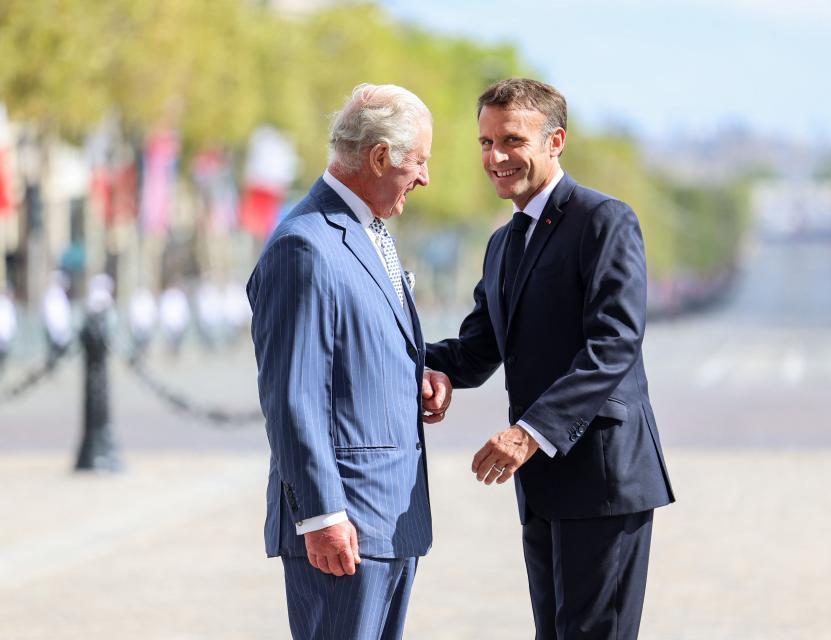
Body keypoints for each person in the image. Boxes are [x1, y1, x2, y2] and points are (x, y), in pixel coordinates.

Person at [426, 78, 675, 639]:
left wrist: (526, 433)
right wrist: (395, 356)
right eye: (486, 143)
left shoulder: (604, 220)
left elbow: (614, 342)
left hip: (602, 478)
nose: (496, 157)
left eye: (512, 140)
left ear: (555, 140)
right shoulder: (503, 244)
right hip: (541, 482)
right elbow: (475, 350)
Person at [247, 83, 451, 640]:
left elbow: (357, 349)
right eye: (420, 161)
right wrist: (320, 515)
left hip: (388, 521)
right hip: (345, 527)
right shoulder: (305, 245)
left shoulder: (367, 233)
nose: (425, 177)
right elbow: (293, 395)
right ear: (381, 156)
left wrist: (417, 377)